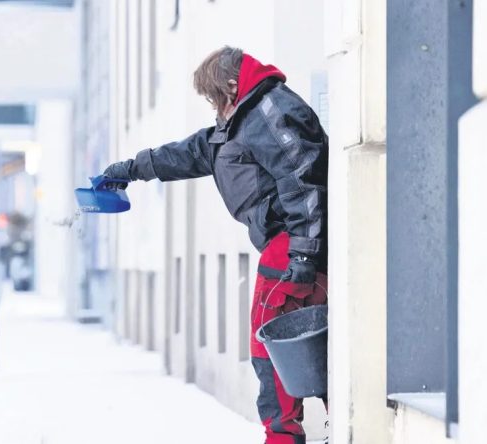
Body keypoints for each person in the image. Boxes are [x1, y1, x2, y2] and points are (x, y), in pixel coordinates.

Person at [103, 46, 328, 444]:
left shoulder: (271, 112)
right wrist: (129, 170)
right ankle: (312, 426)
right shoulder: (237, 123)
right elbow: (188, 153)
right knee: (294, 342)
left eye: (213, 97)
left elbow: (305, 180)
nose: (212, 106)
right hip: (284, 246)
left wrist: (303, 256)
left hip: (291, 247)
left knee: (273, 345)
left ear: (230, 86)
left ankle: (284, 435)